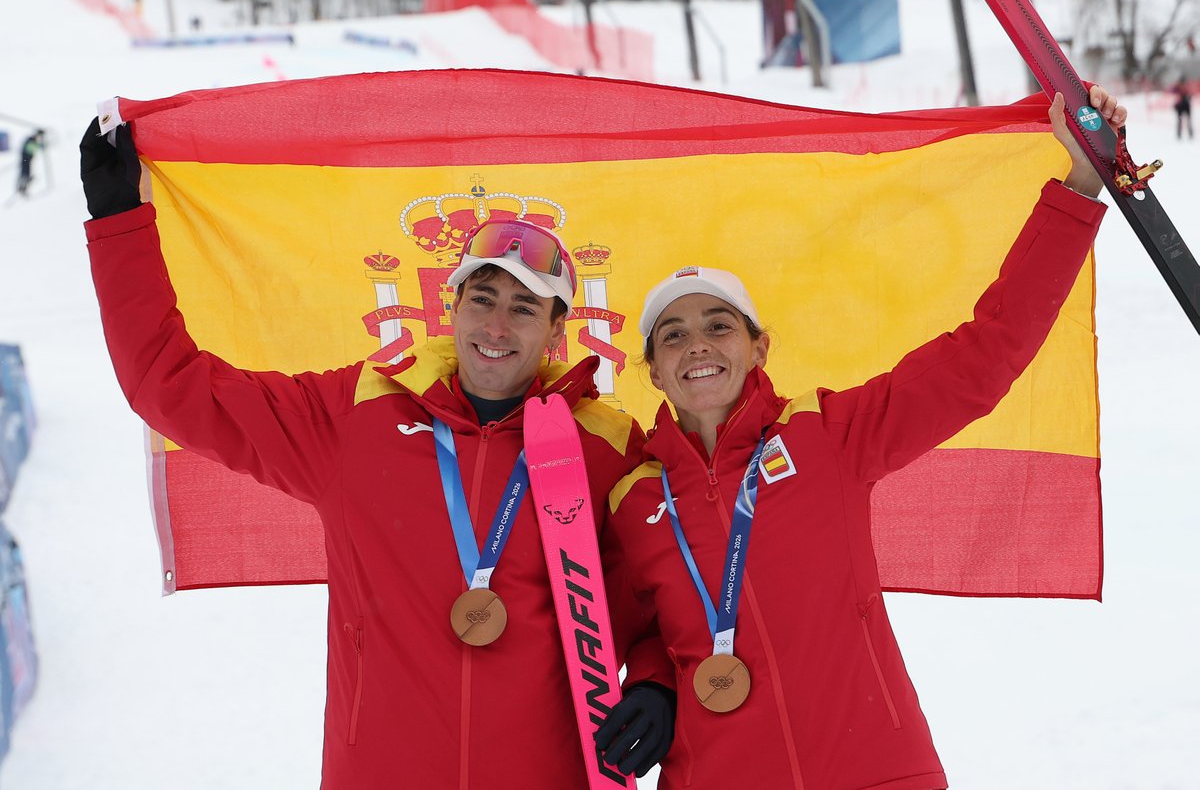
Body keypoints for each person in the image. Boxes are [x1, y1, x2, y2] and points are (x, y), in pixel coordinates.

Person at [79, 118, 675, 788]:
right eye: (483, 299)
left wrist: (656, 685)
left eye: (525, 308)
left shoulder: (606, 448)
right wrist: (117, 222)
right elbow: (172, 386)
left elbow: (668, 602)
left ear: (557, 328)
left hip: (544, 772)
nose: (498, 328)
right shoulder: (356, 416)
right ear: (451, 305)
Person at [595, 87, 1122, 789]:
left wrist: (1081, 184)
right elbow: (629, 631)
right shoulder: (634, 498)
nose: (698, 345)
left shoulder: (827, 436)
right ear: (653, 372)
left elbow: (984, 358)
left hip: (874, 769)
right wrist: (656, 684)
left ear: (758, 350)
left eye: (719, 325)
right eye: (674, 335)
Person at [16, 129, 45, 197]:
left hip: (27, 160)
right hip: (25, 159)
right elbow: (29, 148)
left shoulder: (34, 140)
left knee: (27, 173)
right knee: (25, 173)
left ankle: (24, 188)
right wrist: (40, 146)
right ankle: (22, 188)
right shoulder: (31, 139)